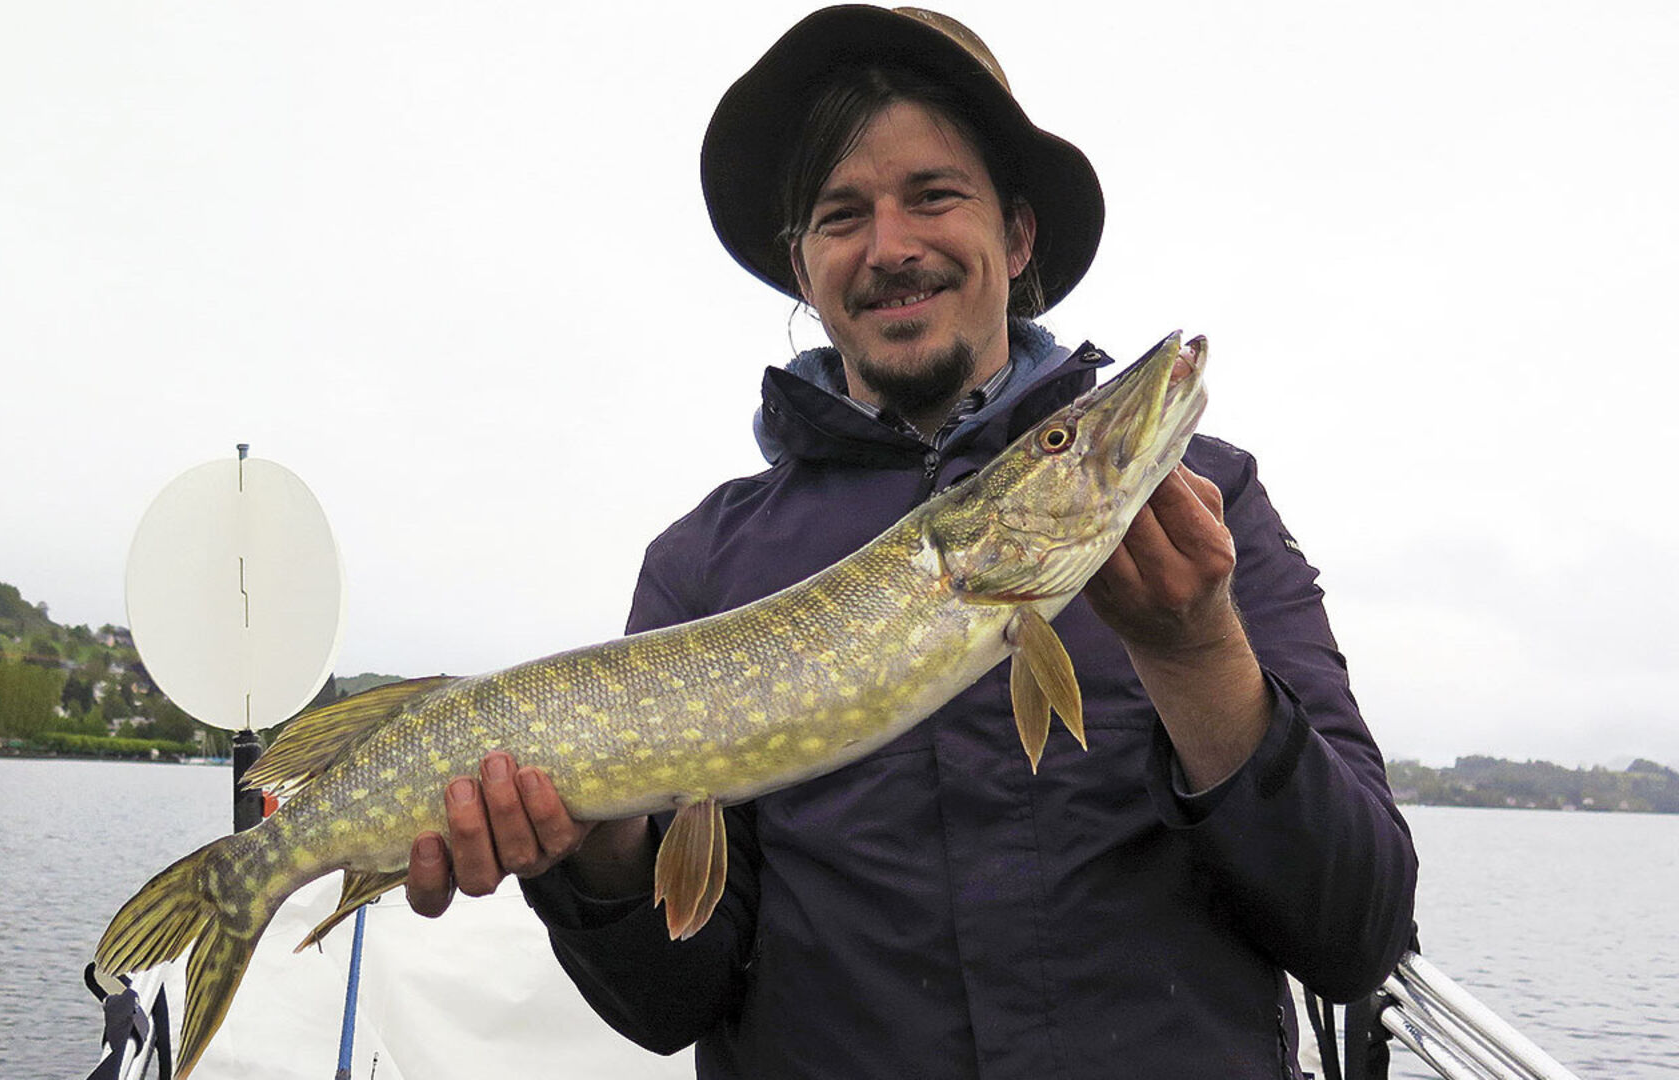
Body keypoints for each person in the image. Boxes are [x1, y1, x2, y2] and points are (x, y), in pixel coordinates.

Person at [401, 6, 1417, 1077]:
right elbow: (669, 1004)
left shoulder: (1209, 502)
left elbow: (1356, 936)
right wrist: (600, 856)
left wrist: (1196, 653)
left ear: (1017, 237)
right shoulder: (701, 565)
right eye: (843, 215)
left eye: (933, 194)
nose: (891, 247)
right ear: (805, 268)